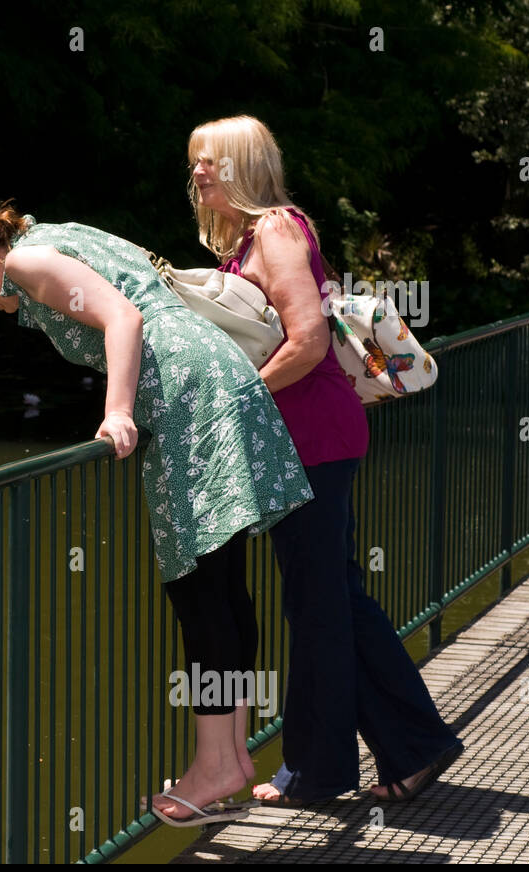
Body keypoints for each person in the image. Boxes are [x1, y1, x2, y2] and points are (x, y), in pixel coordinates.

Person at [0, 202, 314, 825]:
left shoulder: (25, 259)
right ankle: (232, 756)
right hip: (214, 373)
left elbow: (123, 317)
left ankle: (217, 762)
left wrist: (117, 411)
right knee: (221, 583)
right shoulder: (52, 233)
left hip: (187, 393)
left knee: (195, 585)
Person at [187, 115, 464, 806]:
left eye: (210, 163)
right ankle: (410, 746)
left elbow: (308, 340)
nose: (197, 174)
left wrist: (235, 401)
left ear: (243, 166)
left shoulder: (276, 229)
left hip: (313, 441)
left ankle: (320, 769)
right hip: (309, 442)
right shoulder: (263, 234)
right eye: (193, 163)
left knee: (319, 608)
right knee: (333, 602)